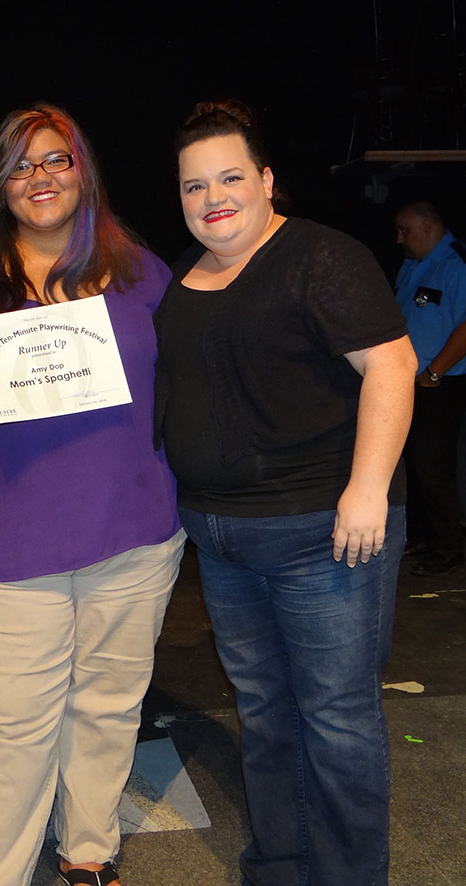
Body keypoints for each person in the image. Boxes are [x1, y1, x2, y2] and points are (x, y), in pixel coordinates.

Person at [0, 104, 184, 886]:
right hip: (8, 549)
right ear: (0, 187)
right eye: (20, 167)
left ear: (82, 171)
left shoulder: (141, 273)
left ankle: (87, 850)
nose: (40, 178)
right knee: (9, 730)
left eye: (55, 160)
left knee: (108, 705)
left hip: (136, 534)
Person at [154, 100, 416, 886]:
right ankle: (280, 867)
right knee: (266, 717)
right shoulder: (184, 276)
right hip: (225, 541)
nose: (213, 198)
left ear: (267, 180)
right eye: (195, 186)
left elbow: (393, 367)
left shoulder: (320, 257)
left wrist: (367, 491)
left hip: (324, 536)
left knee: (336, 722)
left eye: (230, 177)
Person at [393, 199, 466, 575]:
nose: (399, 239)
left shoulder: (456, 264)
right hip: (409, 383)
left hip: (441, 383)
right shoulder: (412, 267)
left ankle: (450, 547)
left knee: (432, 467)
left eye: (405, 230)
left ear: (427, 227)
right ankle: (424, 537)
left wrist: (434, 372)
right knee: (413, 466)